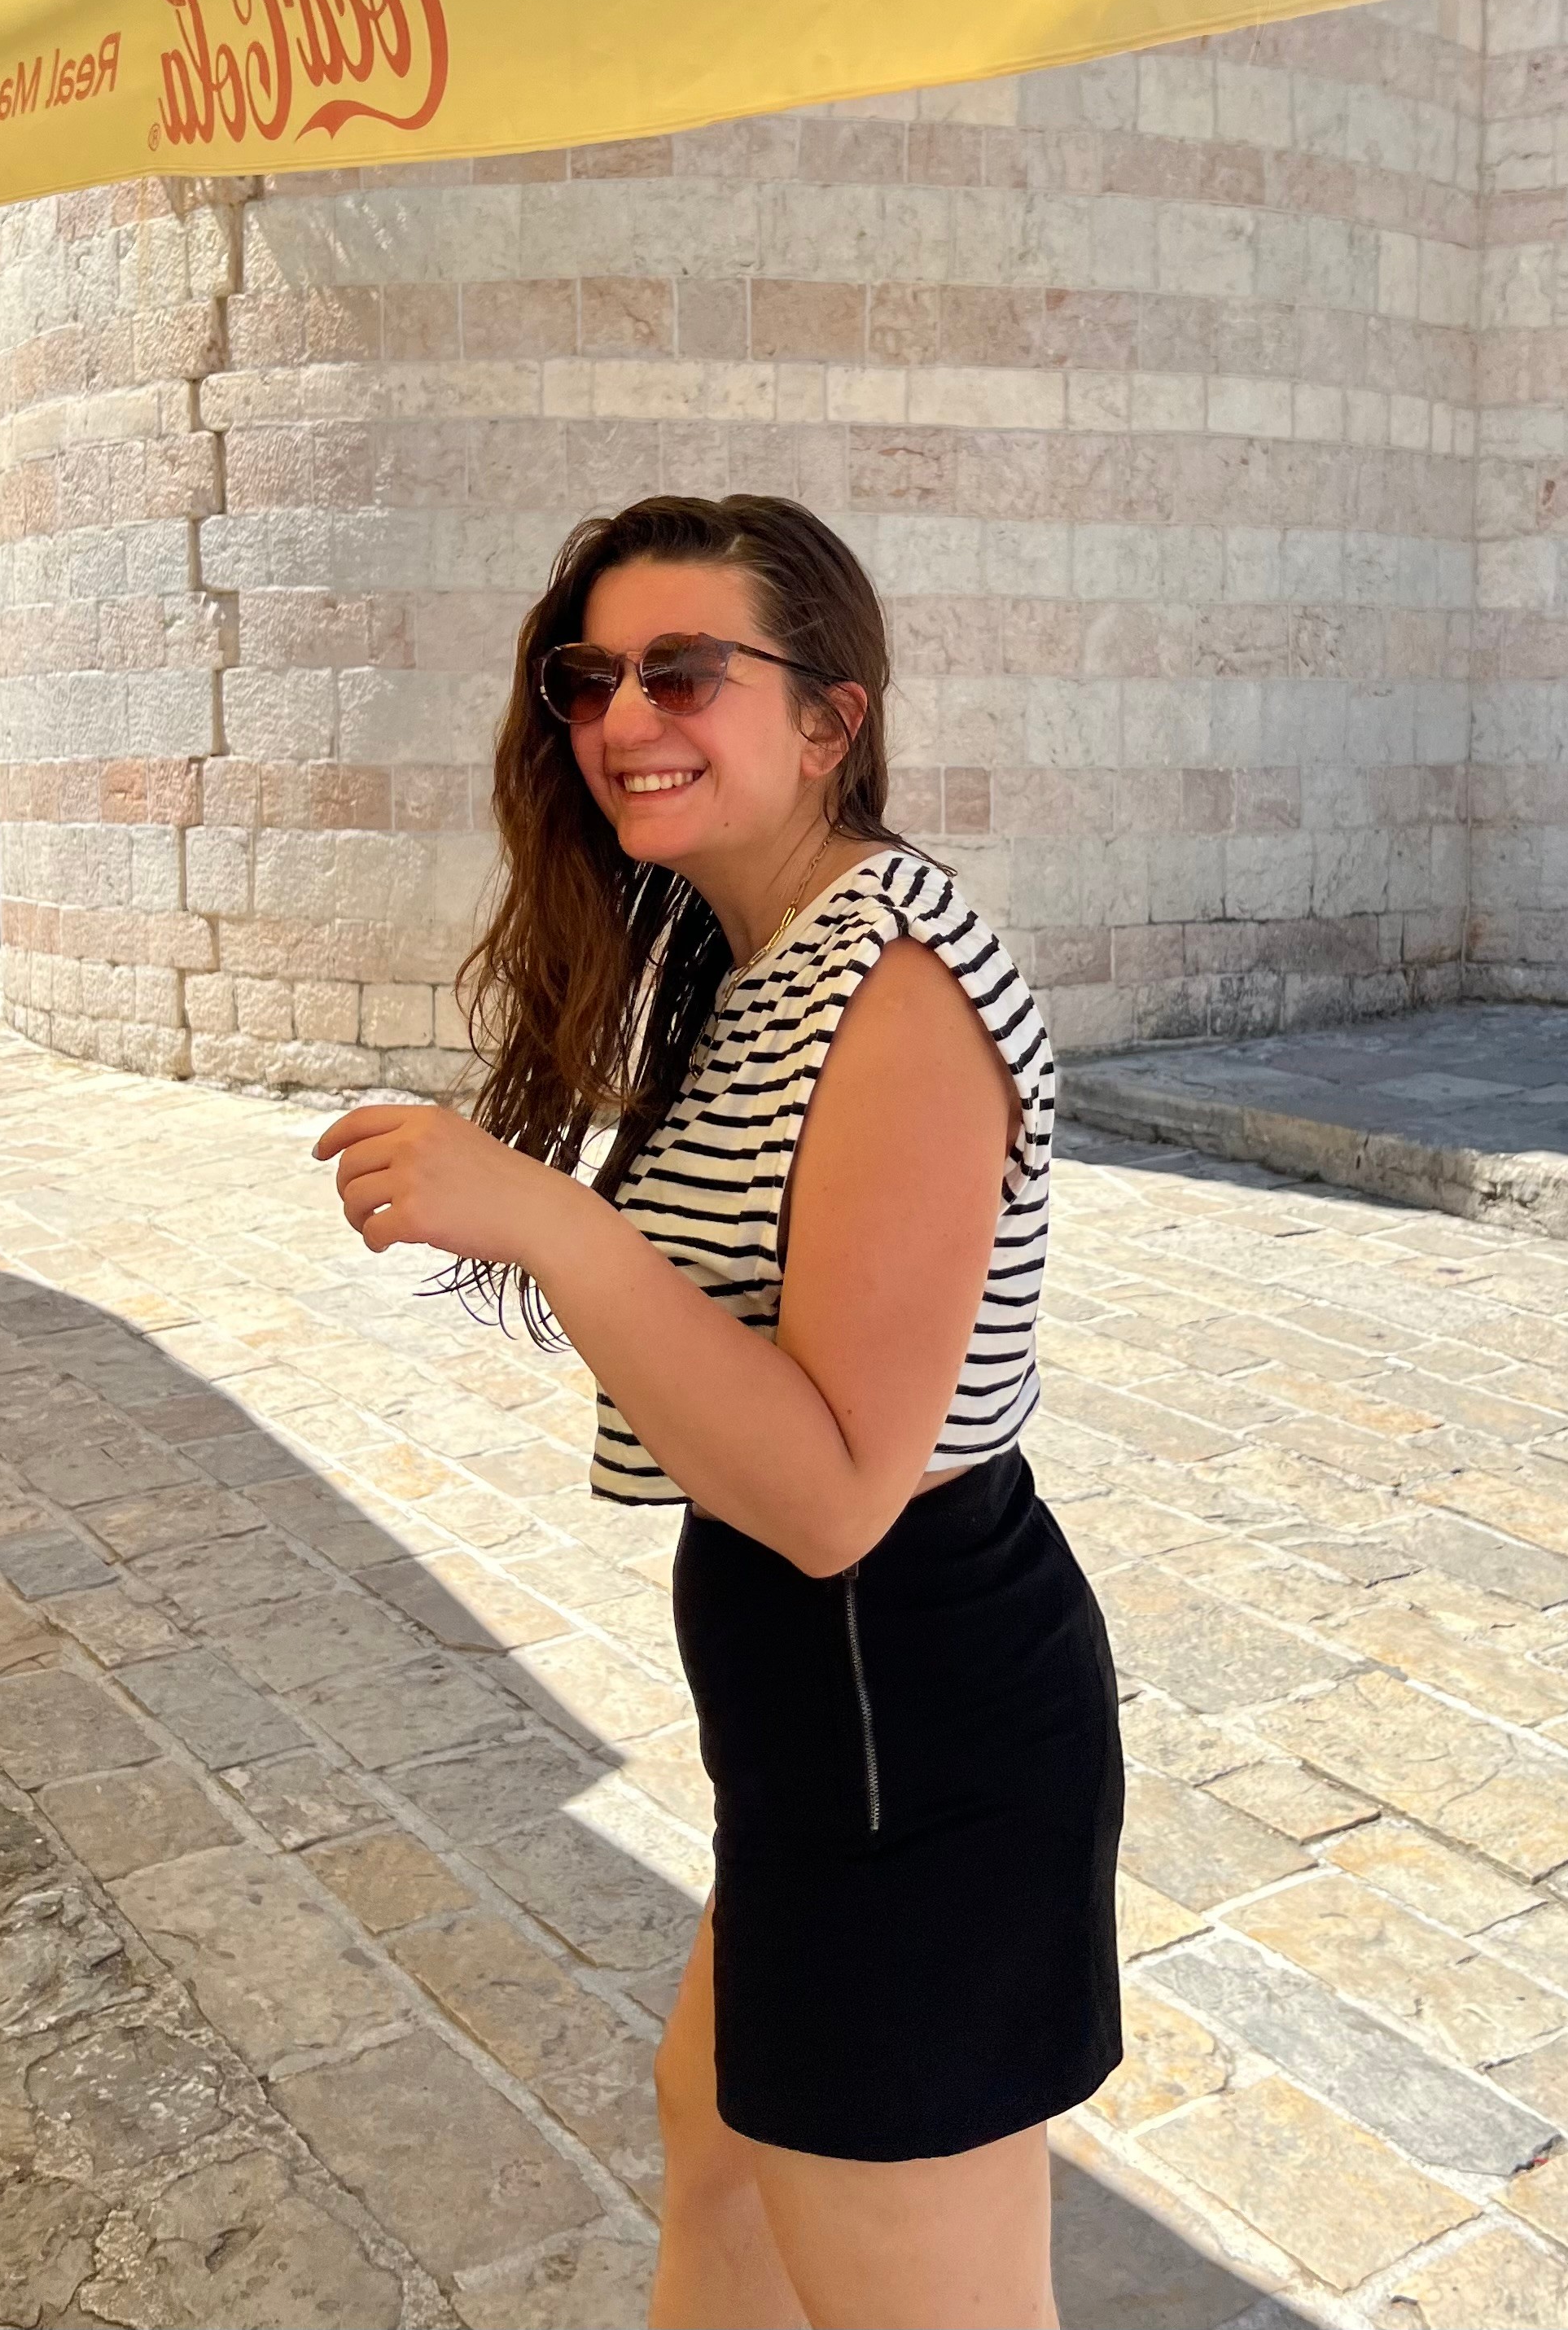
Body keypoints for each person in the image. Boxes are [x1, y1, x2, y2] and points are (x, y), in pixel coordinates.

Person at [315, 495, 1124, 2329]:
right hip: (826, 1710)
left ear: (833, 716)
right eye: (587, 676)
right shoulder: (766, 953)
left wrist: (543, 1215)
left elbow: (842, 1488)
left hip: (898, 1701)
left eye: (684, 668)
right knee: (728, 2164)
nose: (620, 718)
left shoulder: (897, 982)